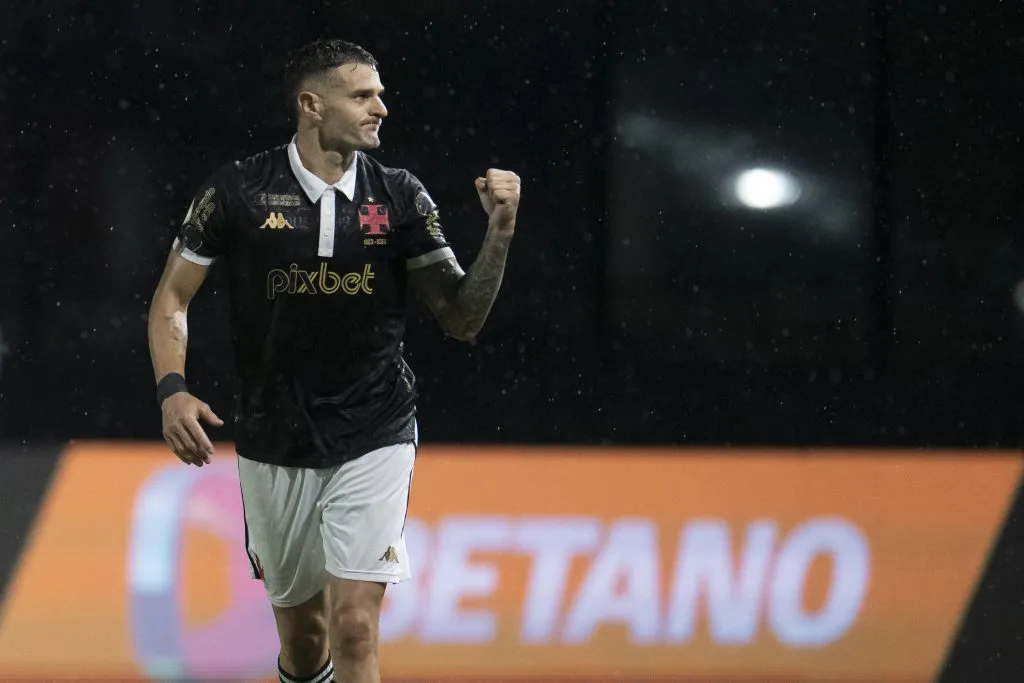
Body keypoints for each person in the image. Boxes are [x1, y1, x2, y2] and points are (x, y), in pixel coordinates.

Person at [146, 38, 520, 683]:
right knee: (304, 637)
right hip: (273, 434)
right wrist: (173, 389)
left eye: (380, 95)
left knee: (352, 625)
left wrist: (500, 236)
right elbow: (172, 299)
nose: (381, 108)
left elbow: (461, 319)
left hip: (374, 426)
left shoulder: (401, 195)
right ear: (312, 104)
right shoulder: (237, 189)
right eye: (363, 96)